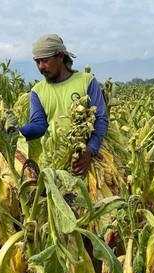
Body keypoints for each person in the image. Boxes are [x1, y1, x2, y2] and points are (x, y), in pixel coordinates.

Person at [16, 33, 108, 176]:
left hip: (87, 159)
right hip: (55, 160)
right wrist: (16, 132)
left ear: (60, 56)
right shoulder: (37, 91)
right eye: (37, 62)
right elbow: (39, 125)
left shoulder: (86, 81)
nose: (41, 67)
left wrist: (90, 151)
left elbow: (101, 119)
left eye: (45, 60)